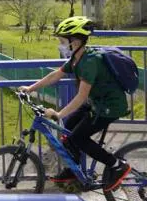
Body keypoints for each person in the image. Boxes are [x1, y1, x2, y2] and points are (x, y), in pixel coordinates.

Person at [19, 16, 131, 192]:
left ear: (76, 41)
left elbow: (80, 97)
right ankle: (74, 168)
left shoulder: (90, 62)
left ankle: (117, 165)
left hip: (109, 106)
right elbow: (55, 75)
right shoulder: (77, 58)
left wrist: (58, 114)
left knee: (79, 137)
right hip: (96, 102)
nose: (61, 44)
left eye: (63, 41)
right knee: (68, 130)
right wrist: (30, 88)